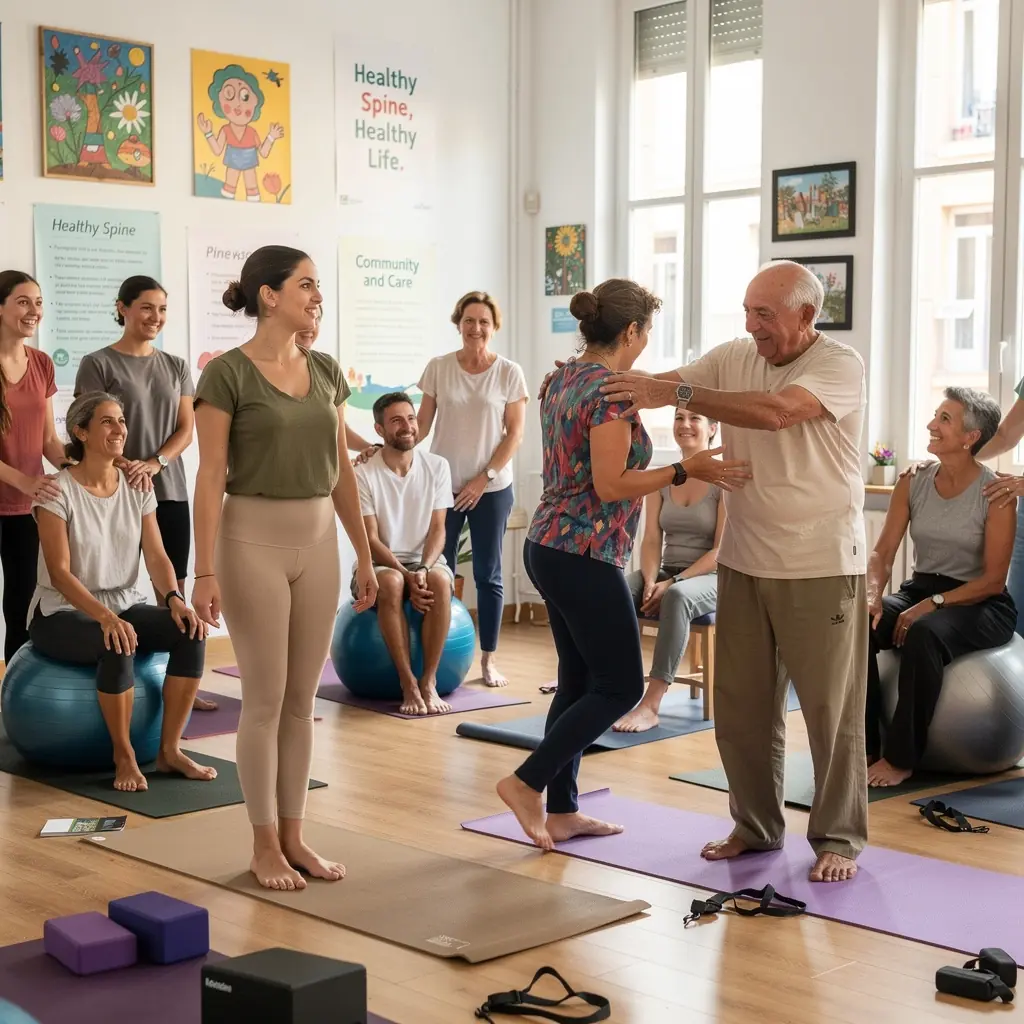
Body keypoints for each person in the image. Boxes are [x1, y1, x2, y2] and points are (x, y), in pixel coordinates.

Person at [598, 260, 869, 883]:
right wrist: (590, 379)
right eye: (748, 311)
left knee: (831, 712)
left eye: (765, 314)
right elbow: (654, 383)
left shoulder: (838, 364)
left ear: (807, 315)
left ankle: (838, 837)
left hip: (822, 563)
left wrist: (677, 394)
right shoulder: (732, 354)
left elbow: (775, 411)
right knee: (743, 707)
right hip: (746, 560)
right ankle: (755, 825)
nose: (752, 326)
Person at [495, 279, 750, 850]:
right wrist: (687, 471)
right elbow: (612, 486)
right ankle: (526, 782)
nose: (646, 343)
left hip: (550, 545)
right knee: (619, 686)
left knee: (578, 680)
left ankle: (562, 809)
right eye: (646, 332)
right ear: (631, 331)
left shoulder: (562, 376)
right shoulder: (607, 391)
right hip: (581, 551)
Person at [192, 245, 377, 892]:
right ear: (268, 295)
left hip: (320, 542)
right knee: (265, 702)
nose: (316, 294)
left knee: (304, 703)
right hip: (251, 542)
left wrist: (367, 556)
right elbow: (209, 476)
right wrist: (204, 572)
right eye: (306, 284)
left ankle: (296, 837)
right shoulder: (228, 376)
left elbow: (343, 473)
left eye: (318, 285)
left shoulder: (326, 370)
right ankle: (263, 844)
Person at [29, 392, 212, 792]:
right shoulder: (55, 491)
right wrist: (106, 617)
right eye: (107, 422)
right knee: (116, 643)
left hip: (123, 604)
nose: (120, 429)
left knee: (191, 632)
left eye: (121, 421)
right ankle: (124, 756)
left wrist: (174, 600)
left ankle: (169, 750)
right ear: (81, 432)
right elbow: (59, 574)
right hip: (59, 613)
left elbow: (158, 556)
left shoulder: (137, 485)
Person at [74, 276, 216, 714]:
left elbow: (186, 428)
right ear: (123, 308)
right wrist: (124, 466)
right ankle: (128, 677)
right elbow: (88, 430)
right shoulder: (97, 363)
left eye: (162, 309)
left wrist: (156, 463)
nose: (156, 317)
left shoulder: (175, 365)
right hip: (113, 491)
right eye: (146, 308)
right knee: (105, 579)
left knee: (171, 584)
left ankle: (175, 681)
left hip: (166, 487)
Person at [866, 389, 1016, 786]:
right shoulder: (912, 481)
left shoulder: (996, 493)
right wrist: (871, 596)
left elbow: (993, 581)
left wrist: (933, 604)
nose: (931, 424)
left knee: (925, 634)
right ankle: (864, 747)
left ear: (971, 437)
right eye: (935, 415)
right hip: (922, 589)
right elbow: (882, 552)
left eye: (945, 419)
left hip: (982, 601)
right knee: (855, 626)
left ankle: (901, 759)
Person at [417, 292, 528, 688]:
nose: (475, 329)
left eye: (483, 322)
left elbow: (515, 434)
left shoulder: (509, 372)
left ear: (493, 327)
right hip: (443, 488)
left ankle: (488, 659)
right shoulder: (439, 368)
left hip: (492, 489)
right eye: (468, 321)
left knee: (488, 573)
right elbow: (421, 427)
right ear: (458, 323)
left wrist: (485, 477)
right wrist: (382, 447)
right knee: (435, 571)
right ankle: (435, 655)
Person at [614, 408, 725, 733]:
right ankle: (612, 689)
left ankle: (651, 704)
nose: (685, 425)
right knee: (618, 588)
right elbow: (650, 539)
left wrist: (673, 581)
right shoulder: (663, 478)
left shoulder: (724, 479)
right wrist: (650, 580)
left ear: (713, 428)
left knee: (676, 596)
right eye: (679, 418)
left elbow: (720, 553)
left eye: (696, 418)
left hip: (713, 578)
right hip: (667, 572)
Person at [354, 391, 455, 715]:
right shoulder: (363, 472)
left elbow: (439, 529)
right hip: (379, 562)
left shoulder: (437, 466)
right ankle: (407, 682)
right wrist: (405, 573)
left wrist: (423, 569)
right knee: (394, 584)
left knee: (439, 582)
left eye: (411, 418)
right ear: (380, 429)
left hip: (423, 559)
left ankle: (428, 681)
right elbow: (370, 539)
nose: (407, 426)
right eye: (396, 420)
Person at [0, 271, 65, 664]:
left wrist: (82, 467)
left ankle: (12, 700)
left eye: (38, 302)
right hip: (19, 490)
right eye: (24, 301)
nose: (34, 311)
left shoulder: (41, 364)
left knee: (20, 608)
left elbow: (49, 443)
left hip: (25, 511)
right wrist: (23, 479)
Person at [295, 305, 379, 458]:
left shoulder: (327, 367)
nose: (311, 325)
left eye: (317, 319)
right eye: (305, 316)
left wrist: (371, 448)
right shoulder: (254, 369)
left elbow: (338, 429)